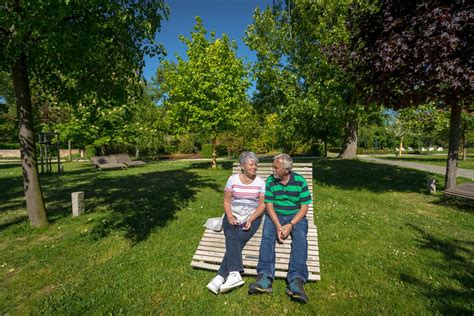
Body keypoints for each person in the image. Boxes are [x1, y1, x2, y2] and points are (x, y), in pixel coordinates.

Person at [248, 153, 312, 304]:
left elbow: (304, 207)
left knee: (301, 237)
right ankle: (265, 277)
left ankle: (296, 281)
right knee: (267, 236)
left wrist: (290, 225)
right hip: (275, 214)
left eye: (276, 167)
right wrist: (278, 226)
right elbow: (268, 205)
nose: (273, 170)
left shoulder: (299, 181)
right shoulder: (271, 181)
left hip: (295, 215)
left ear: (286, 170)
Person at [206, 151, 266, 294]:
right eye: (251, 164)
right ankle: (234, 274)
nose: (255, 167)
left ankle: (221, 276)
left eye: (256, 164)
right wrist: (230, 215)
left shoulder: (260, 182)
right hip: (232, 213)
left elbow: (262, 205)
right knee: (231, 234)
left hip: (252, 216)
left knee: (238, 238)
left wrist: (251, 219)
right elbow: (227, 201)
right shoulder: (232, 180)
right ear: (242, 166)